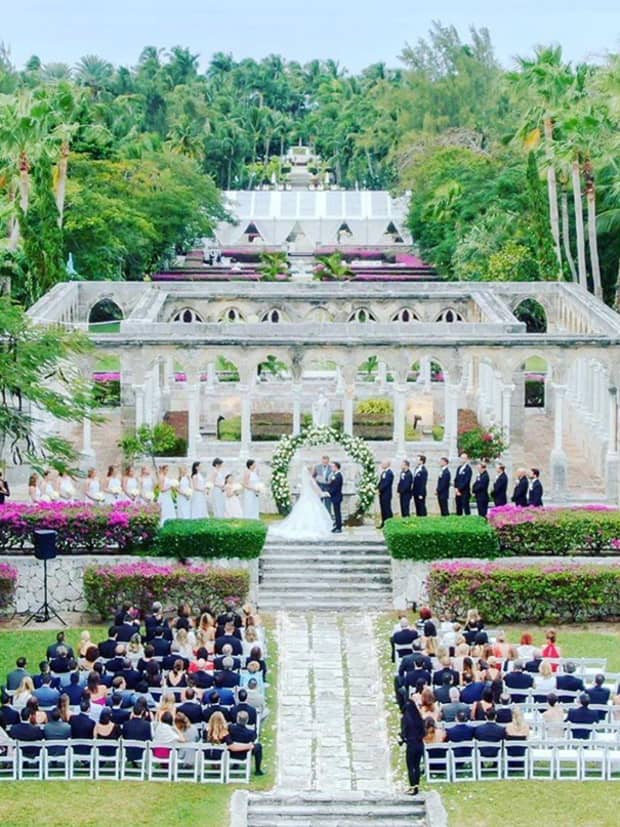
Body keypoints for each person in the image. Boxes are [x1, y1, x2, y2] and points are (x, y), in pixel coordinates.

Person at [269, 466, 333, 541]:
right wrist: (323, 494)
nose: (314, 472)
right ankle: (310, 528)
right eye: (312, 470)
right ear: (310, 472)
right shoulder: (310, 479)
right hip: (311, 499)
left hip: (305, 498)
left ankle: (304, 527)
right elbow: (316, 489)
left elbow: (304, 488)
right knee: (312, 513)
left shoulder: (304, 480)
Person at [400, 692, 425, 795]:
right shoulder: (419, 718)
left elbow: (404, 733)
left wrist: (402, 739)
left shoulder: (406, 719)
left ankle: (412, 786)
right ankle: (417, 786)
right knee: (417, 765)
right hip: (419, 744)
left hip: (411, 744)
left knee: (411, 766)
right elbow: (423, 732)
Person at [228, 709, 264, 775]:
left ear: (237, 719)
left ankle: (236, 765)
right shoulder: (251, 733)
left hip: (231, 753)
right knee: (258, 746)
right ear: (247, 720)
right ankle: (258, 770)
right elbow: (252, 742)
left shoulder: (230, 728)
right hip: (244, 754)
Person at [377, 460, 394, 527]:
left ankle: (389, 523)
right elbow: (381, 482)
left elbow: (386, 484)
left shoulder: (390, 473)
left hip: (386, 494)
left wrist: (379, 489)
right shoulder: (383, 473)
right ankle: (383, 523)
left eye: (383, 464)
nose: (381, 465)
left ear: (387, 465)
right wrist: (377, 488)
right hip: (382, 494)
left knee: (387, 509)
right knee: (383, 509)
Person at [328, 461, 344, 533]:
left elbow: (336, 487)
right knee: (335, 512)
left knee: (337, 512)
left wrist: (328, 492)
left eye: (332, 466)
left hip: (337, 496)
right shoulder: (334, 475)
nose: (331, 468)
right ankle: (337, 525)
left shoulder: (338, 476)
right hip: (334, 496)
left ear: (336, 467)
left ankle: (339, 527)